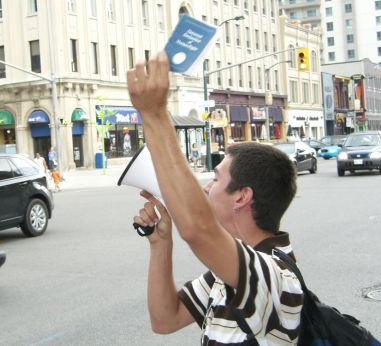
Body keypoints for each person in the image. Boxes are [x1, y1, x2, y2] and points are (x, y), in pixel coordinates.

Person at [128, 52, 303, 345]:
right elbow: (164, 319)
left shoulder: (275, 274)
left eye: (217, 178)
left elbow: (198, 230)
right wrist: (161, 244)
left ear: (242, 197)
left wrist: (155, 113)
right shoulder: (226, 273)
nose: (207, 187)